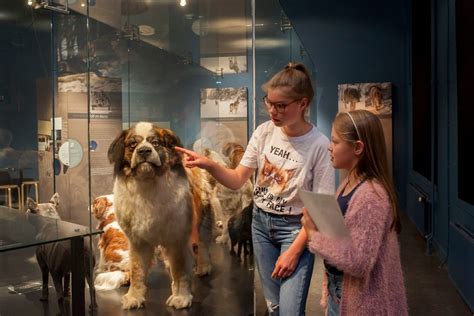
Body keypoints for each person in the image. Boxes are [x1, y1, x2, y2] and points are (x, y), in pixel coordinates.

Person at [175, 62, 335, 315]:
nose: (272, 110)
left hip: (295, 230)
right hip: (260, 226)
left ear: (303, 104)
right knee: (274, 306)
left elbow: (320, 211)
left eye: (281, 105)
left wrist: (294, 251)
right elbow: (238, 178)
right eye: (269, 102)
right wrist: (208, 164)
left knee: (291, 311)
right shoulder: (264, 132)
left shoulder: (319, 145)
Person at [301, 109, 408, 315]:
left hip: (361, 299)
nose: (329, 147)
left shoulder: (371, 196)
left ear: (357, 147)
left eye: (335, 141)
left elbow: (358, 261)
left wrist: (313, 234)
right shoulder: (349, 183)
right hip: (340, 289)